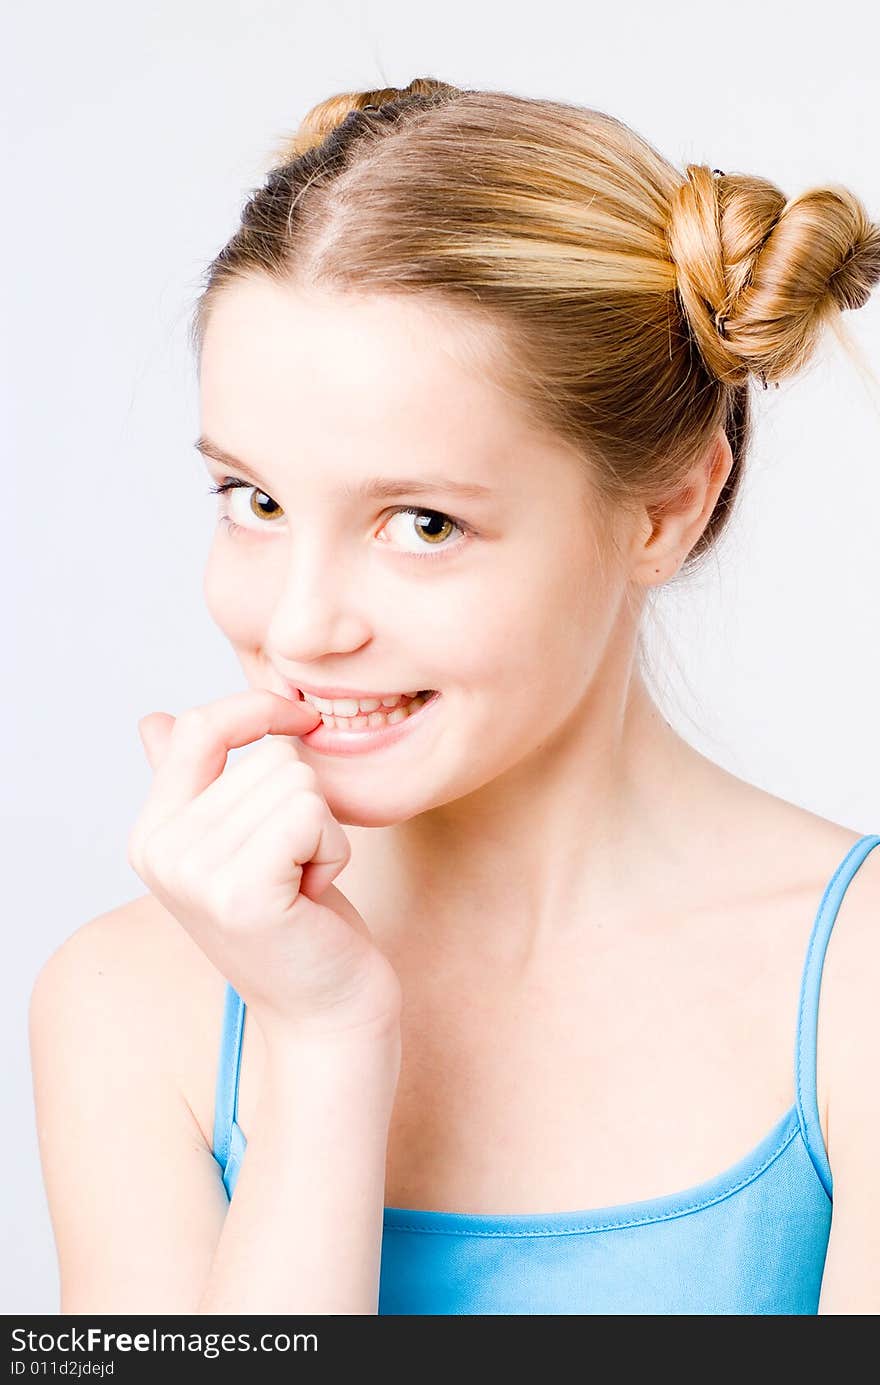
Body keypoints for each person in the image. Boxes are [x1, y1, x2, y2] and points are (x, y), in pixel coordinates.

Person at [29, 78, 880, 1316]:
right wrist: (322, 1051)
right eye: (253, 500)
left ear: (667, 509)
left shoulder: (856, 989)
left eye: (420, 521)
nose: (300, 624)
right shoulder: (126, 1004)